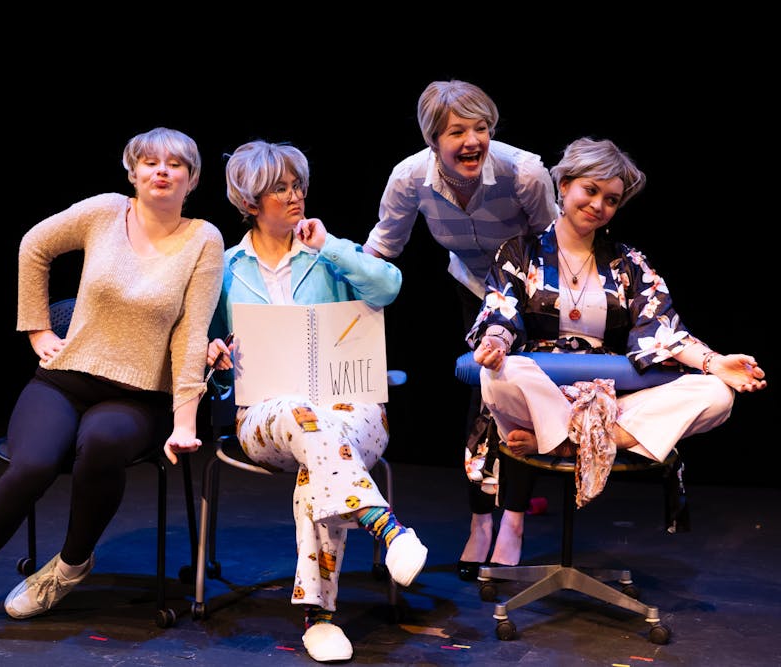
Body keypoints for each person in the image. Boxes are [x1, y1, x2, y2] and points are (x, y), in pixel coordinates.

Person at [0, 127, 225, 648]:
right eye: (150, 162)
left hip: (139, 396)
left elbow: (191, 335)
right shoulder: (103, 212)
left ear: (192, 179)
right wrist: (38, 328)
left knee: (99, 444)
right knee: (31, 465)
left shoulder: (203, 239)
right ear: (133, 173)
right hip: (65, 379)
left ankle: (70, 567)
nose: (161, 171)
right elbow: (35, 245)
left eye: (175, 165)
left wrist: (185, 422)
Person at [206, 140, 428, 663]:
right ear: (250, 202)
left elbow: (388, 286)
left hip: (350, 408)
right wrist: (214, 360)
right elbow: (205, 354)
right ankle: (385, 529)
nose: (294, 195)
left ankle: (320, 618)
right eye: (279, 188)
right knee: (299, 418)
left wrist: (329, 246)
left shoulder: (327, 252)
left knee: (321, 455)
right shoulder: (224, 269)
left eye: (297, 184)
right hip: (266, 415)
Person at [467, 137, 766, 507]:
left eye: (611, 200)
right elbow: (501, 309)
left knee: (718, 395)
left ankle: (570, 443)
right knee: (497, 376)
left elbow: (663, 328)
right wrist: (495, 342)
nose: (598, 206)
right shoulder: (520, 252)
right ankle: (577, 435)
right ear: (564, 186)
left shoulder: (628, 263)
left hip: (606, 401)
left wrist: (714, 362)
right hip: (541, 396)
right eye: (590, 191)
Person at [362, 79, 558, 579]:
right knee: (479, 397)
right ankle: (480, 523)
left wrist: (522, 318)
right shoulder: (410, 178)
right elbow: (382, 249)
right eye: (457, 131)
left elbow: (553, 250)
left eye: (481, 128)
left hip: (528, 292)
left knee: (511, 399)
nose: (472, 140)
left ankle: (510, 522)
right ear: (432, 139)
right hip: (470, 288)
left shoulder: (524, 173)